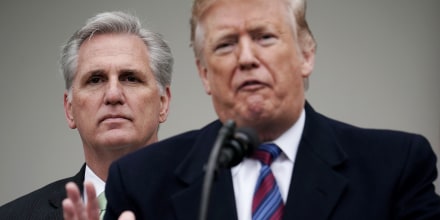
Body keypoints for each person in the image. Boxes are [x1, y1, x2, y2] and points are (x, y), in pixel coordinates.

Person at [100, 0, 440, 219]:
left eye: (264, 37)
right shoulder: (142, 181)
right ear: (205, 74)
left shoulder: (394, 167)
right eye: (226, 44)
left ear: (306, 55)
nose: (246, 58)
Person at [0, 11, 173, 219]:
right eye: (95, 80)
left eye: (130, 78)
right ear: (69, 109)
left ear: (163, 102)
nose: (113, 95)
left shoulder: (216, 205)